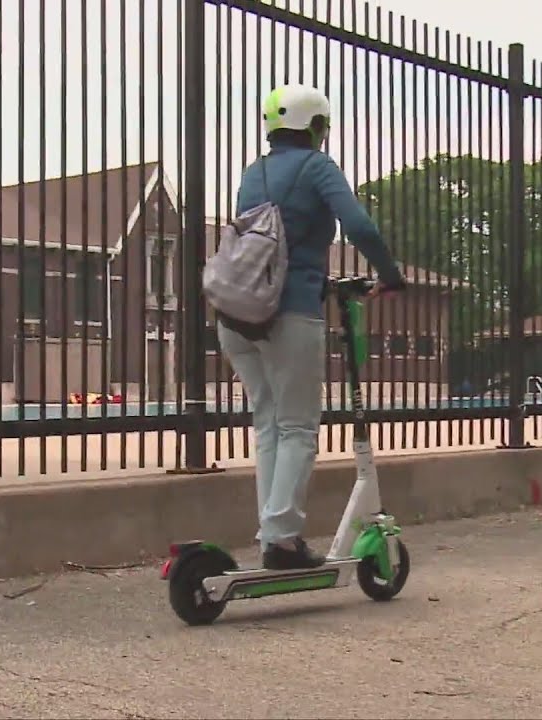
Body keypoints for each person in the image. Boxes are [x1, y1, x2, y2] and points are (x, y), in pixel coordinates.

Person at [218, 84, 406, 570]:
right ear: (318, 126)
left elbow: (263, 243)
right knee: (298, 427)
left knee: (268, 424)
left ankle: (273, 532)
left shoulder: (251, 173)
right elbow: (359, 227)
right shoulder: (318, 167)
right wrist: (389, 276)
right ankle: (280, 540)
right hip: (289, 313)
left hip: (236, 315)